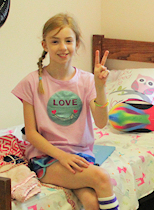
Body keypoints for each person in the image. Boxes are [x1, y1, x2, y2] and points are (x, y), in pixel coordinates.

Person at [16, 13, 119, 210]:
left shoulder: (87, 80)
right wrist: (62, 156)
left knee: (91, 202)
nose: (63, 47)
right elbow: (31, 134)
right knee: (103, 178)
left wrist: (99, 87)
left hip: (80, 156)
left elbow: (100, 122)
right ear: (45, 45)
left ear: (76, 44)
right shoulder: (31, 82)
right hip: (46, 159)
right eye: (55, 41)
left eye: (68, 41)